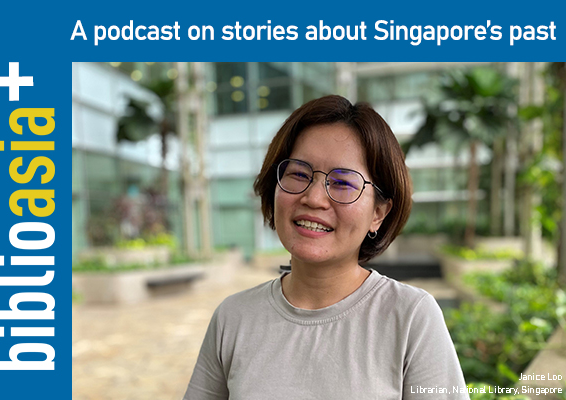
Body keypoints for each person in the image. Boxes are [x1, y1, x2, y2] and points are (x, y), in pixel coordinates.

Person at [184, 95, 468, 399]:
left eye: (343, 182)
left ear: (378, 213)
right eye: (298, 174)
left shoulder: (411, 317)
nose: (314, 198)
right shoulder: (234, 317)